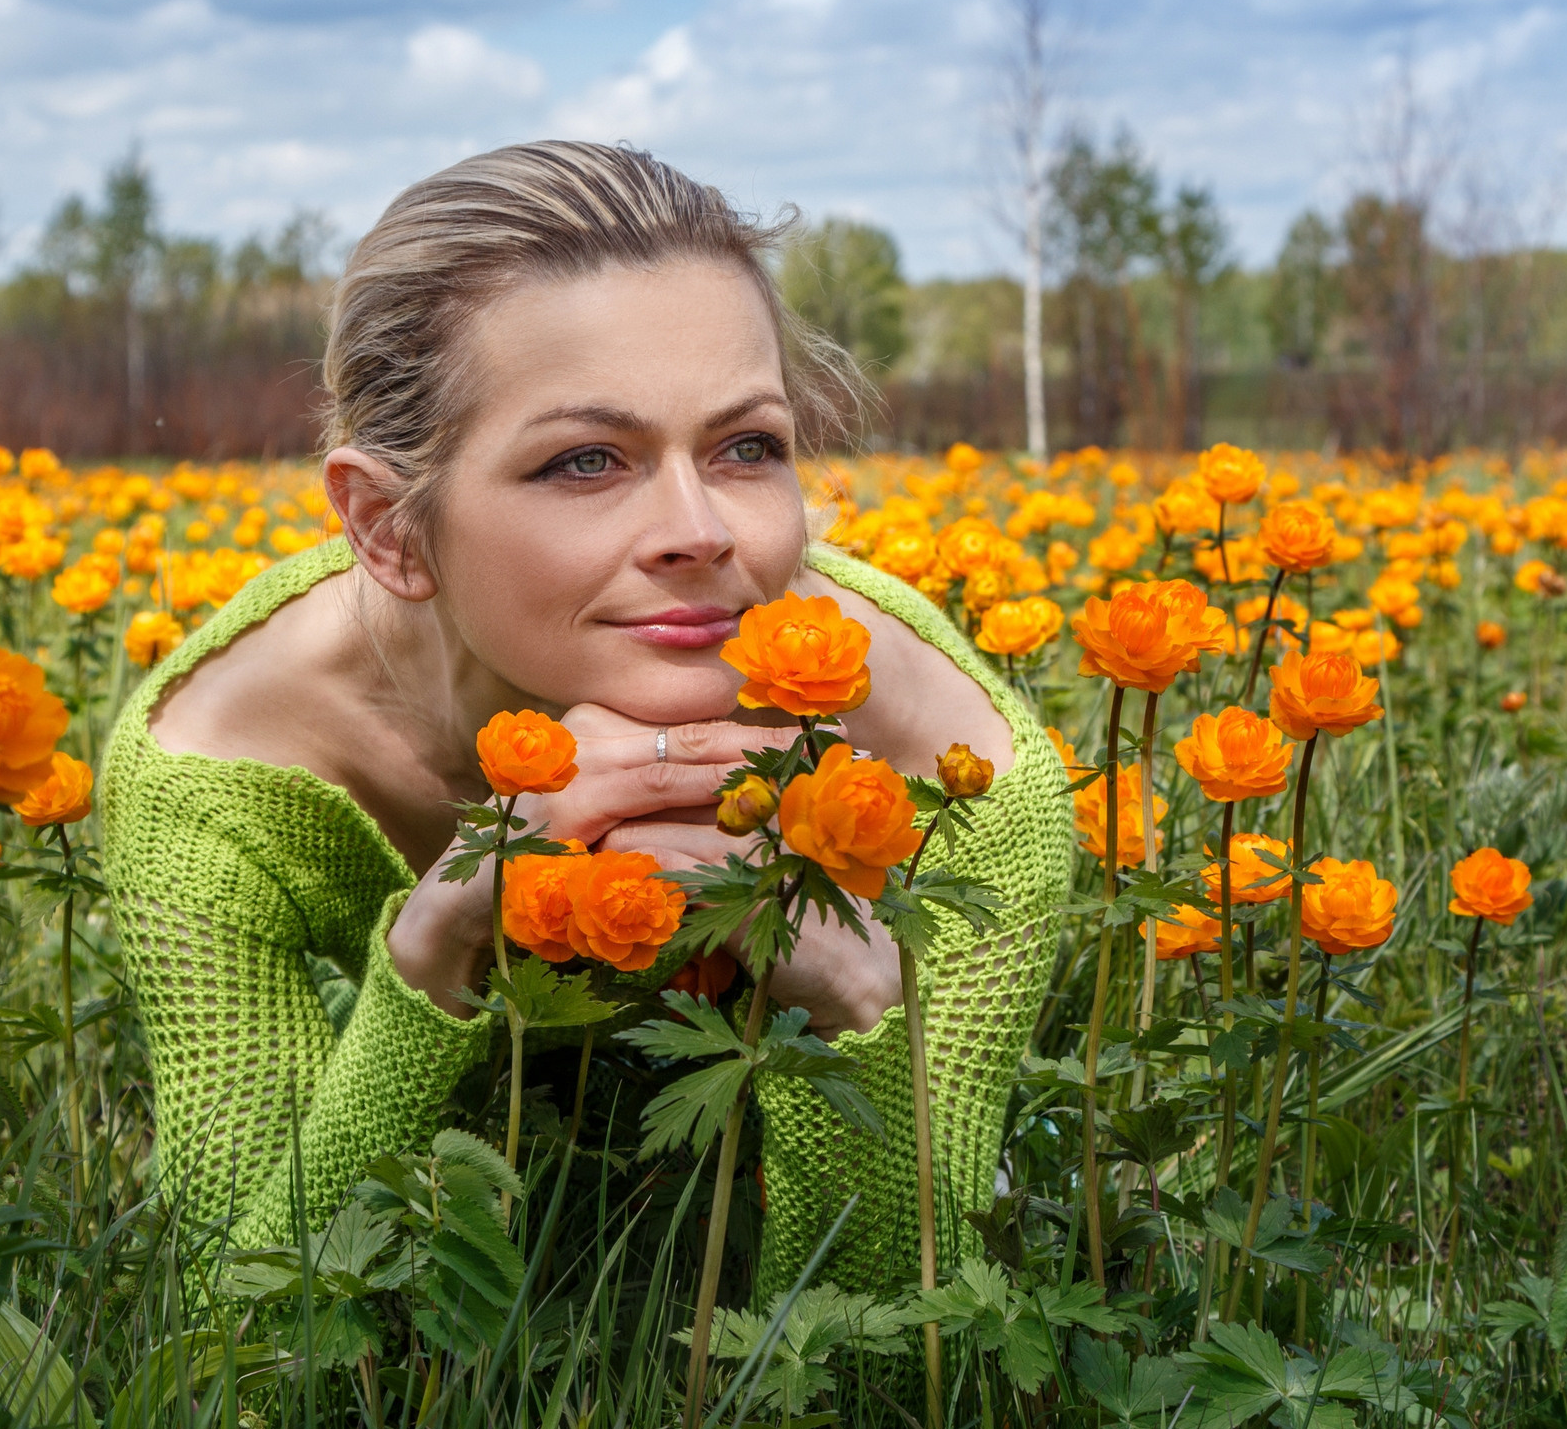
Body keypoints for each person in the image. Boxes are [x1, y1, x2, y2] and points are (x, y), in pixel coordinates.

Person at [101, 141, 1070, 1297]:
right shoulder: (215, 771)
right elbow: (238, 1327)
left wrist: (860, 1000)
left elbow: (907, 1347)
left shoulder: (955, 775)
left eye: (746, 447)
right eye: (585, 461)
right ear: (384, 527)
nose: (698, 529)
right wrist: (427, 957)